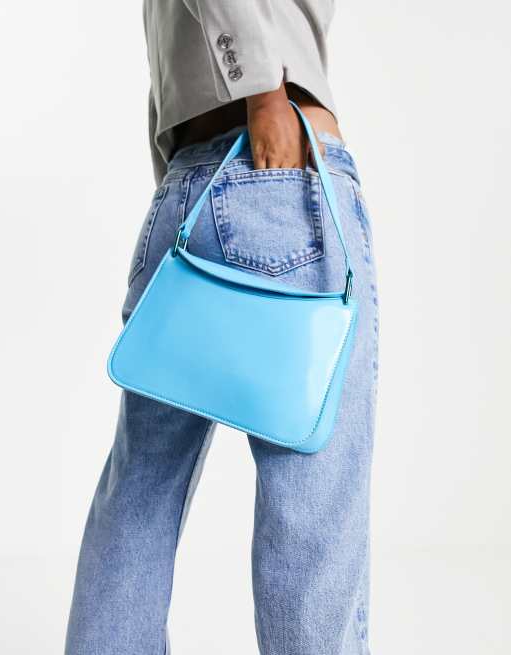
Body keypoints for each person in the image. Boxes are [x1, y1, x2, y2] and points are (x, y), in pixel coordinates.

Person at [65, 2, 378, 653]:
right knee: (312, 503)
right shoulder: (266, 105)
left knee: (141, 489)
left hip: (185, 188)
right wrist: (263, 93)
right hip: (280, 165)